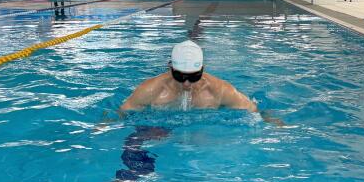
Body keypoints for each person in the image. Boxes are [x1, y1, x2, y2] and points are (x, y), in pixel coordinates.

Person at [120, 40, 282, 123]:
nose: (187, 84)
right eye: (180, 76)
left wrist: (275, 124)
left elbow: (254, 111)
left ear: (203, 70)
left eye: (193, 77)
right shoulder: (150, 90)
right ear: (170, 69)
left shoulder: (220, 90)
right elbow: (122, 114)